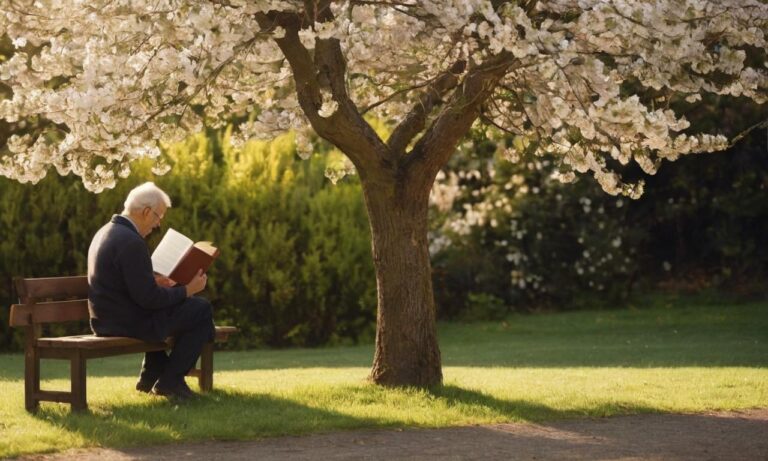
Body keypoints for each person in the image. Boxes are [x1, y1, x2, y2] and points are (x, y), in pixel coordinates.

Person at [87, 182, 214, 400]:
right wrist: (187, 290)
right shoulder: (131, 241)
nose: (157, 225)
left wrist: (157, 283)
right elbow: (149, 299)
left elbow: (133, 288)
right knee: (200, 310)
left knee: (192, 311)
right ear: (146, 212)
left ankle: (152, 373)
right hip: (126, 322)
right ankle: (170, 382)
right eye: (158, 217)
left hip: (108, 318)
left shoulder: (107, 231)